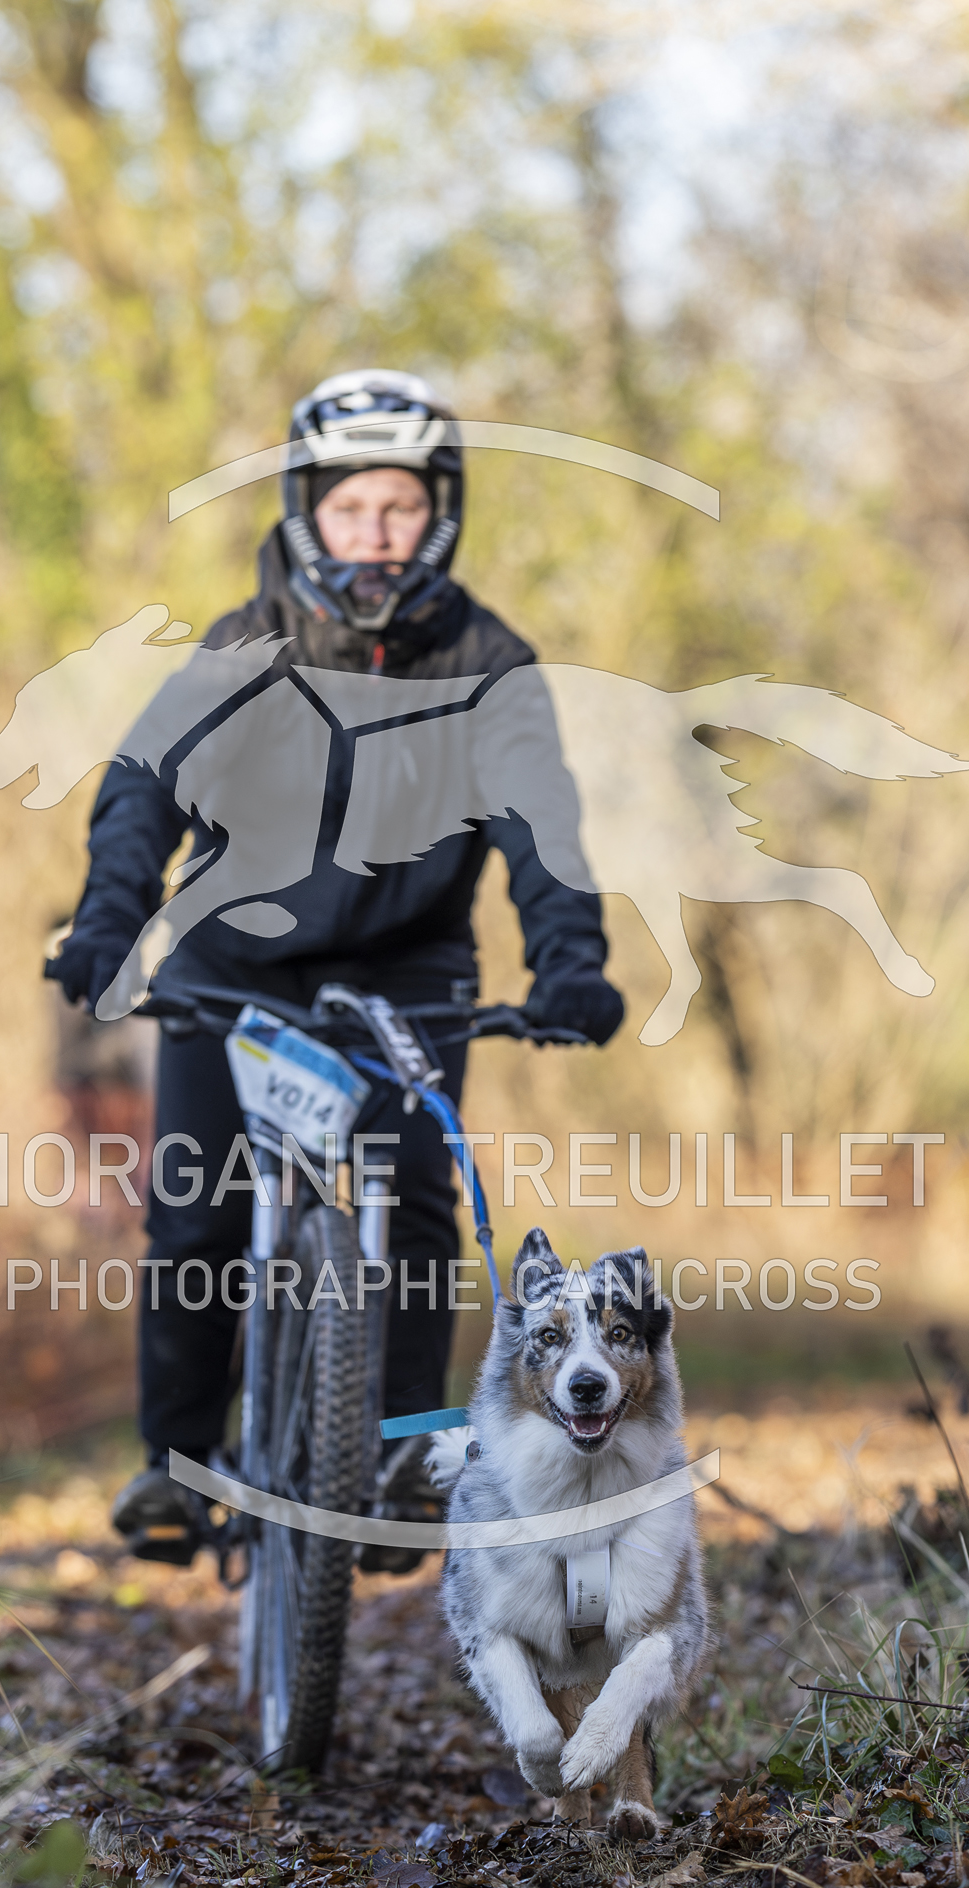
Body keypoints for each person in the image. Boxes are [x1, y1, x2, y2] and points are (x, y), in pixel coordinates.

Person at [47, 369, 624, 1569]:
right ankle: (173, 1463)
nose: (375, 532)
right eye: (350, 506)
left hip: (408, 971)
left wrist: (570, 963)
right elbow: (141, 792)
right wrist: (108, 925)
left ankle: (403, 1451)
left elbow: (542, 829)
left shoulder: (489, 661)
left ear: (438, 515)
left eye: (399, 507)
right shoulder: (240, 648)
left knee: (412, 1203)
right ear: (308, 512)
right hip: (234, 966)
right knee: (198, 1210)